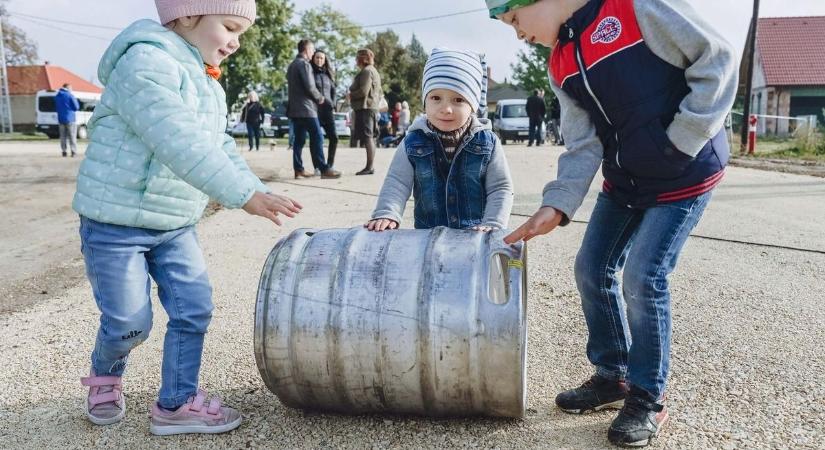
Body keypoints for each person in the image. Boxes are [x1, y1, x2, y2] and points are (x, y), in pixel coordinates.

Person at [489, 0, 737, 446]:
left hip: (686, 170)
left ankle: (647, 396)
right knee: (591, 267)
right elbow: (582, 144)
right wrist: (558, 204)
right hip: (626, 179)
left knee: (644, 275)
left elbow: (716, 58)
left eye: (514, 20)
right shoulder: (559, 63)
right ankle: (613, 375)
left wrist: (680, 143)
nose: (518, 34)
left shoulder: (636, 7)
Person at [72, 0, 304, 435]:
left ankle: (176, 403)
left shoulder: (206, 82)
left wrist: (256, 187)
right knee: (128, 323)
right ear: (189, 15)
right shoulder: (144, 63)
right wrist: (242, 196)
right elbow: (178, 141)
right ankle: (106, 374)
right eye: (231, 27)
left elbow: (218, 146)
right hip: (115, 223)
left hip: (175, 223)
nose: (235, 43)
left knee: (193, 308)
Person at [366, 48, 513, 232]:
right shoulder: (412, 141)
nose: (446, 109)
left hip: (474, 236)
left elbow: (500, 187)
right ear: (425, 101)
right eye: (436, 98)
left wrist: (493, 223)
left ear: (473, 105)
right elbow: (397, 182)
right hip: (427, 238)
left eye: (458, 100)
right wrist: (387, 213)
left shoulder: (488, 142)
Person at [286, 39, 341, 179]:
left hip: (295, 109)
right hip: (307, 109)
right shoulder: (304, 64)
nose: (312, 53)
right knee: (318, 137)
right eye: (312, 50)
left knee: (299, 140)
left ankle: (298, 169)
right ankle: (323, 169)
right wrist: (320, 98)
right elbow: (310, 86)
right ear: (306, 50)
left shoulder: (292, 65)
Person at [349, 48, 382, 175]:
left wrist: (350, 95)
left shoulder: (367, 71)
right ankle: (369, 166)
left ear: (363, 58)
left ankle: (369, 167)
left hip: (366, 108)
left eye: (357, 57)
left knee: (368, 137)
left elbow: (363, 91)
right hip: (370, 107)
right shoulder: (373, 71)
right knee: (369, 137)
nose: (356, 59)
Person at [312, 49, 338, 169]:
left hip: (328, 110)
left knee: (334, 137)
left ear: (325, 60)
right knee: (317, 139)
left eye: (322, 58)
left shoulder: (329, 74)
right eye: (317, 57)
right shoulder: (310, 73)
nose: (319, 60)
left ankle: (329, 165)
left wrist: (333, 104)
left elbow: (334, 91)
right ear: (313, 58)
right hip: (315, 110)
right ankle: (318, 166)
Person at [55, 83, 80, 157]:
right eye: (71, 88)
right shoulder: (69, 95)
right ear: (68, 88)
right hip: (70, 118)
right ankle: (73, 151)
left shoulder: (57, 96)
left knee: (63, 136)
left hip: (61, 118)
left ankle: (64, 151)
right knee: (72, 136)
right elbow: (76, 107)